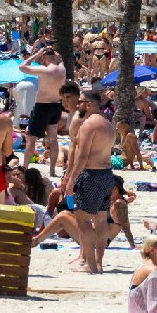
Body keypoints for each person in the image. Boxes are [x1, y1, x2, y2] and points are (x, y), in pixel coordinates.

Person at [60, 92, 115, 274]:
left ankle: (91, 265)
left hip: (91, 174)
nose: (78, 105)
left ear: (89, 104)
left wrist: (71, 180)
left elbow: (82, 156)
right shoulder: (108, 124)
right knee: (100, 221)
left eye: (81, 102)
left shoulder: (88, 125)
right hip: (107, 174)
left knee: (82, 219)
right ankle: (98, 263)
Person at [19, 47, 67, 176]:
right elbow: (60, 59)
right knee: (53, 139)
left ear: (44, 58)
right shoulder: (62, 69)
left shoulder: (44, 70)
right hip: (56, 106)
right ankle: (52, 171)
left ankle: (24, 167)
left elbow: (22, 66)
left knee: (31, 139)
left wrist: (37, 54)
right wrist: (56, 55)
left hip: (42, 106)